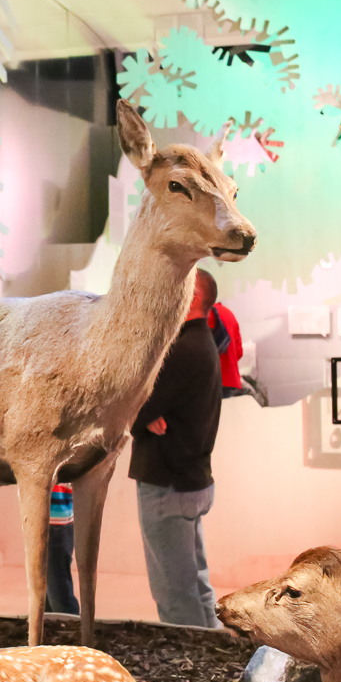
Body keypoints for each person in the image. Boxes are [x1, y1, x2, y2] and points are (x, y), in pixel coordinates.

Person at [129, 269, 223, 628]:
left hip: (169, 486)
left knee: (175, 597)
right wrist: (144, 411)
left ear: (193, 297)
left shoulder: (183, 348)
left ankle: (191, 678)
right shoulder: (198, 342)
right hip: (189, 481)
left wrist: (139, 414)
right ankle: (213, 665)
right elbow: (144, 405)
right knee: (196, 586)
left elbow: (130, 407)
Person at [46, 481, 79, 615]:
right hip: (52, 520)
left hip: (53, 521)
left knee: (58, 590)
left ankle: (73, 629)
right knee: (47, 587)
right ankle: (49, 627)